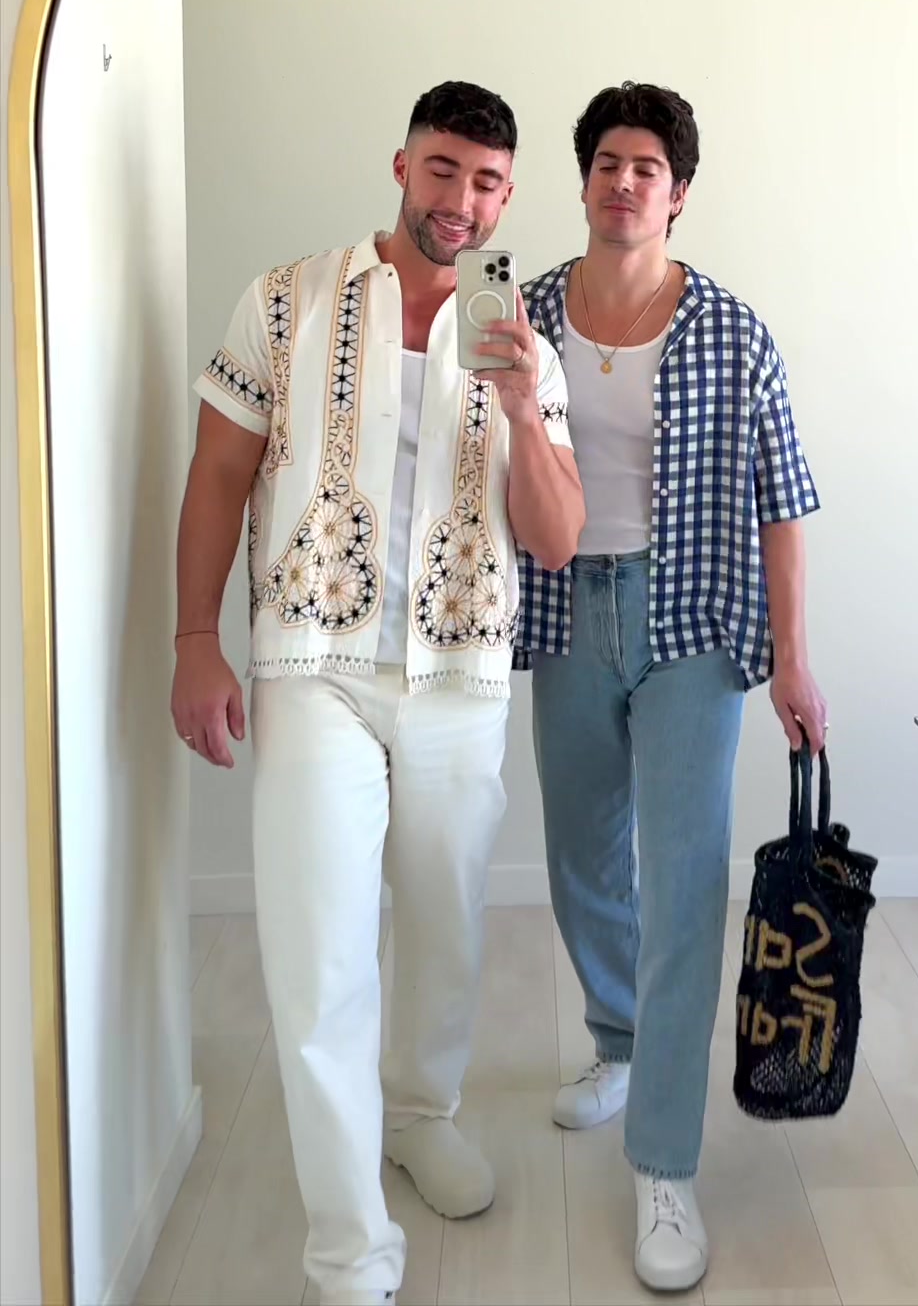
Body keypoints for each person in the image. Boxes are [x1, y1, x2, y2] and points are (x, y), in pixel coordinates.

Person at [171, 80, 584, 1306]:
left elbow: (557, 537)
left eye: (488, 182)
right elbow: (217, 473)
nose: (463, 200)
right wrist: (195, 636)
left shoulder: (526, 340)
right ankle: (350, 1253)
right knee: (321, 955)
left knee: (447, 928)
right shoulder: (286, 300)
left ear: (509, 196)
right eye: (443, 169)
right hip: (314, 666)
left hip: (461, 675)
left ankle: (419, 1115)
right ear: (402, 166)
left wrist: (523, 405)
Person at [519, 81, 826, 1294]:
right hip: (563, 610)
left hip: (695, 619)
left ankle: (664, 1163)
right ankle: (620, 1038)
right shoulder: (527, 314)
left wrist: (794, 656)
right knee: (581, 857)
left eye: (647, 166)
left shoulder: (734, 332)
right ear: (584, 179)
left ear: (678, 193)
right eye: (608, 161)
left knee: (687, 879)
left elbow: (784, 501)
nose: (624, 180)